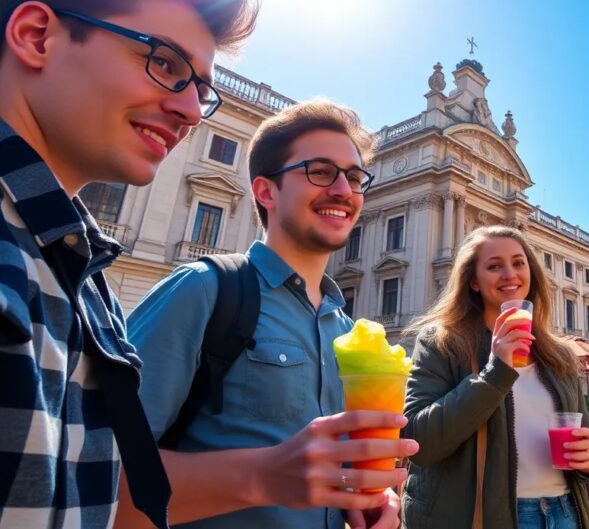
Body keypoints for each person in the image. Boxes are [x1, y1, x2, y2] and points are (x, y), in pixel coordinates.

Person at [0, 0, 256, 528]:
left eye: (201, 89)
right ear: (38, 36)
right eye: (165, 63)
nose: (193, 111)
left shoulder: (86, 281)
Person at [122, 101, 415, 528]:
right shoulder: (203, 290)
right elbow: (87, 472)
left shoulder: (347, 332)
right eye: (319, 171)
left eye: (354, 177)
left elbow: (328, 476)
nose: (343, 190)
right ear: (265, 191)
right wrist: (261, 476)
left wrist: (372, 502)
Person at [402, 226, 589, 529]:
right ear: (473, 280)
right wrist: (496, 371)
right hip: (487, 517)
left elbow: (585, 435)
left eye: (518, 263)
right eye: (494, 266)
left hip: (564, 513)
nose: (510, 274)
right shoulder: (441, 342)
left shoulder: (560, 354)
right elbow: (419, 442)